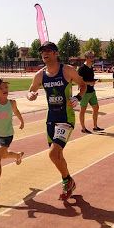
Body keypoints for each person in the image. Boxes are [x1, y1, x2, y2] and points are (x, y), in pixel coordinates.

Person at [27, 41, 86, 201]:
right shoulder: (40, 75)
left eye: (48, 50)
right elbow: (31, 90)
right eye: (42, 51)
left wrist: (77, 98)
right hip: (50, 118)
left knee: (53, 152)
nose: (44, 53)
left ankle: (66, 180)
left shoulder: (67, 70)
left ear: (56, 53)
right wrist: (30, 95)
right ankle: (68, 180)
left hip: (66, 117)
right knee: (57, 155)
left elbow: (83, 85)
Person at [78, 50, 104, 134]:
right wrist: (89, 83)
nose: (92, 58)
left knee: (96, 107)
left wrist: (96, 80)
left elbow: (90, 79)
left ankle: (95, 127)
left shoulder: (91, 67)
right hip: (84, 92)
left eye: (93, 56)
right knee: (83, 110)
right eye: (91, 57)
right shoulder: (82, 69)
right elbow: (79, 82)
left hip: (92, 91)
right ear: (86, 58)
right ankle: (83, 128)